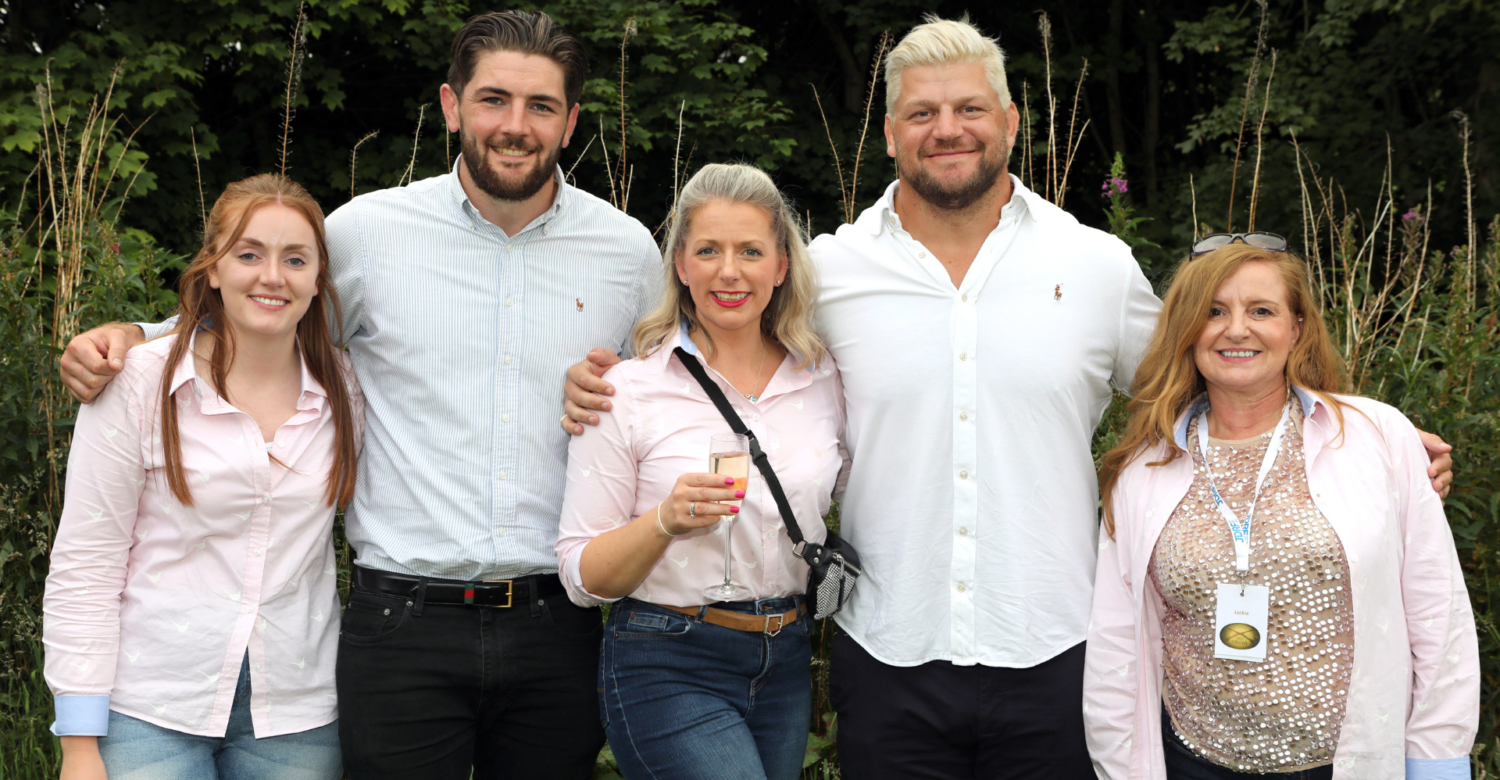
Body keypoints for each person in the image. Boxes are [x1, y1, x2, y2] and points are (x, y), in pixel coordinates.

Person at [560, 16, 1455, 780]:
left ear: (1010, 121)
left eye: (968, 109)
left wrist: (1359, 436)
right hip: (888, 648)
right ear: (889, 132)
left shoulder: (1094, 265)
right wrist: (607, 379)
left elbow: (1216, 372)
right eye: (923, 113)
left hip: (1057, 645)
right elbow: (723, 350)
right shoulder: (827, 273)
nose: (947, 129)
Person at [55, 11, 661, 780]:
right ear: (450, 106)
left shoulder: (627, 251)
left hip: (559, 622)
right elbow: (262, 304)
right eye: (493, 100)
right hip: (401, 625)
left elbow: (672, 396)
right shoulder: (370, 233)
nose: (516, 126)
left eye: (541, 106)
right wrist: (133, 335)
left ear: (571, 121)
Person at [1084, 238, 1479, 779]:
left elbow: (1439, 614)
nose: (1237, 329)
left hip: (1347, 764)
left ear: (1295, 328)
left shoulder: (1378, 438)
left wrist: (1438, 764)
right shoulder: (1143, 471)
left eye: (1261, 310)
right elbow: (1115, 646)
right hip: (1192, 763)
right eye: (1214, 312)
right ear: (1186, 331)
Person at [43, 174, 361, 780]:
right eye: (249, 254)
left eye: (296, 259)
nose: (273, 276)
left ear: (318, 280)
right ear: (212, 268)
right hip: (149, 707)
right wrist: (79, 744)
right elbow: (87, 562)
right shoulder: (139, 383)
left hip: (295, 712)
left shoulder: (345, 391)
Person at [556, 163, 845, 780]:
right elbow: (582, 576)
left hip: (787, 655)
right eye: (708, 250)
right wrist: (663, 521)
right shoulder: (626, 392)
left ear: (781, 266)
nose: (729, 271)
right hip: (667, 656)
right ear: (681, 266)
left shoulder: (824, 379)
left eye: (750, 251)